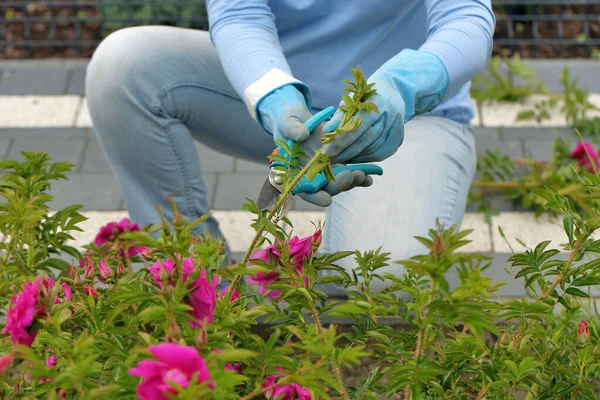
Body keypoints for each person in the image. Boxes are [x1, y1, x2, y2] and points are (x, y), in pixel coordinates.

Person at [85, 1, 495, 291]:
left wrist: (402, 89)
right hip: (287, 87)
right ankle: (199, 291)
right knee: (125, 68)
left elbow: (467, 18)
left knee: (382, 278)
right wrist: (272, 94)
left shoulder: (403, 101)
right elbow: (239, 11)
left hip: (405, 116)